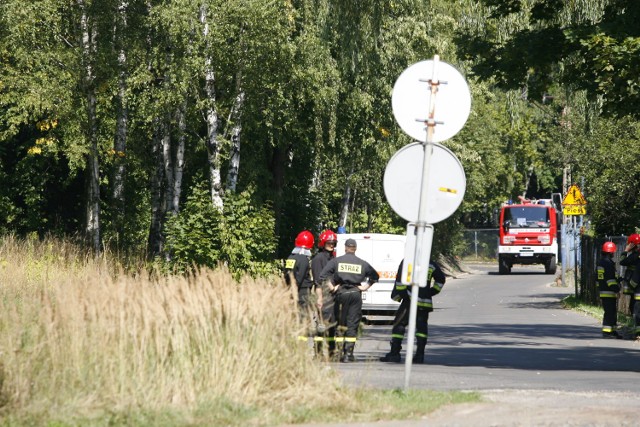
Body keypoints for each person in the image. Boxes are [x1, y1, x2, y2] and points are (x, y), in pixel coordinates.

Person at [319, 238, 379, 363]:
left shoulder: (337, 261)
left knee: (341, 323)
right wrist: (364, 287)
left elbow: (322, 276)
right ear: (355, 249)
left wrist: (332, 288)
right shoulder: (362, 263)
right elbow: (375, 276)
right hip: (355, 294)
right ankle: (348, 354)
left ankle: (339, 353)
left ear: (346, 248)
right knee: (352, 324)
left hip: (341, 293)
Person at [380, 258, 446, 364]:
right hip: (424, 302)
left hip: (409, 301)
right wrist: (431, 292)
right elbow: (441, 279)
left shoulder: (408, 262)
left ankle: (394, 354)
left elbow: (400, 282)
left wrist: (404, 296)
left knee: (399, 325)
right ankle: (420, 355)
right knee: (422, 329)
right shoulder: (430, 263)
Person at [311, 229, 338, 359]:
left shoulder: (333, 257)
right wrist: (319, 298)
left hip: (334, 296)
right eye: (329, 243)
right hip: (324, 294)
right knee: (322, 325)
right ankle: (318, 353)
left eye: (333, 243)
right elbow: (318, 280)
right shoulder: (318, 259)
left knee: (333, 326)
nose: (331, 245)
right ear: (323, 243)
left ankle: (332, 352)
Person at [284, 230, 316, 342]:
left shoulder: (290, 257)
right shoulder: (304, 260)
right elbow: (300, 276)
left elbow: (287, 274)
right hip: (302, 291)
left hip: (290, 290)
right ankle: (301, 341)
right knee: (302, 316)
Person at [597, 241, 622, 339]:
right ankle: (607, 332)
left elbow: (599, 278)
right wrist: (616, 289)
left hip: (604, 291)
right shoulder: (608, 264)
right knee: (609, 312)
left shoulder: (602, 262)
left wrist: (618, 279)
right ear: (610, 252)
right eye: (613, 252)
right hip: (609, 291)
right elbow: (610, 280)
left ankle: (613, 330)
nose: (613, 254)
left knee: (611, 312)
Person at [619, 234, 640, 319]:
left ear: (633, 244)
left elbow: (622, 261)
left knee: (634, 307)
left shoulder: (635, 255)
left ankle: (637, 326)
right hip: (635, 284)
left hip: (635, 284)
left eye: (629, 244)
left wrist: (625, 251)